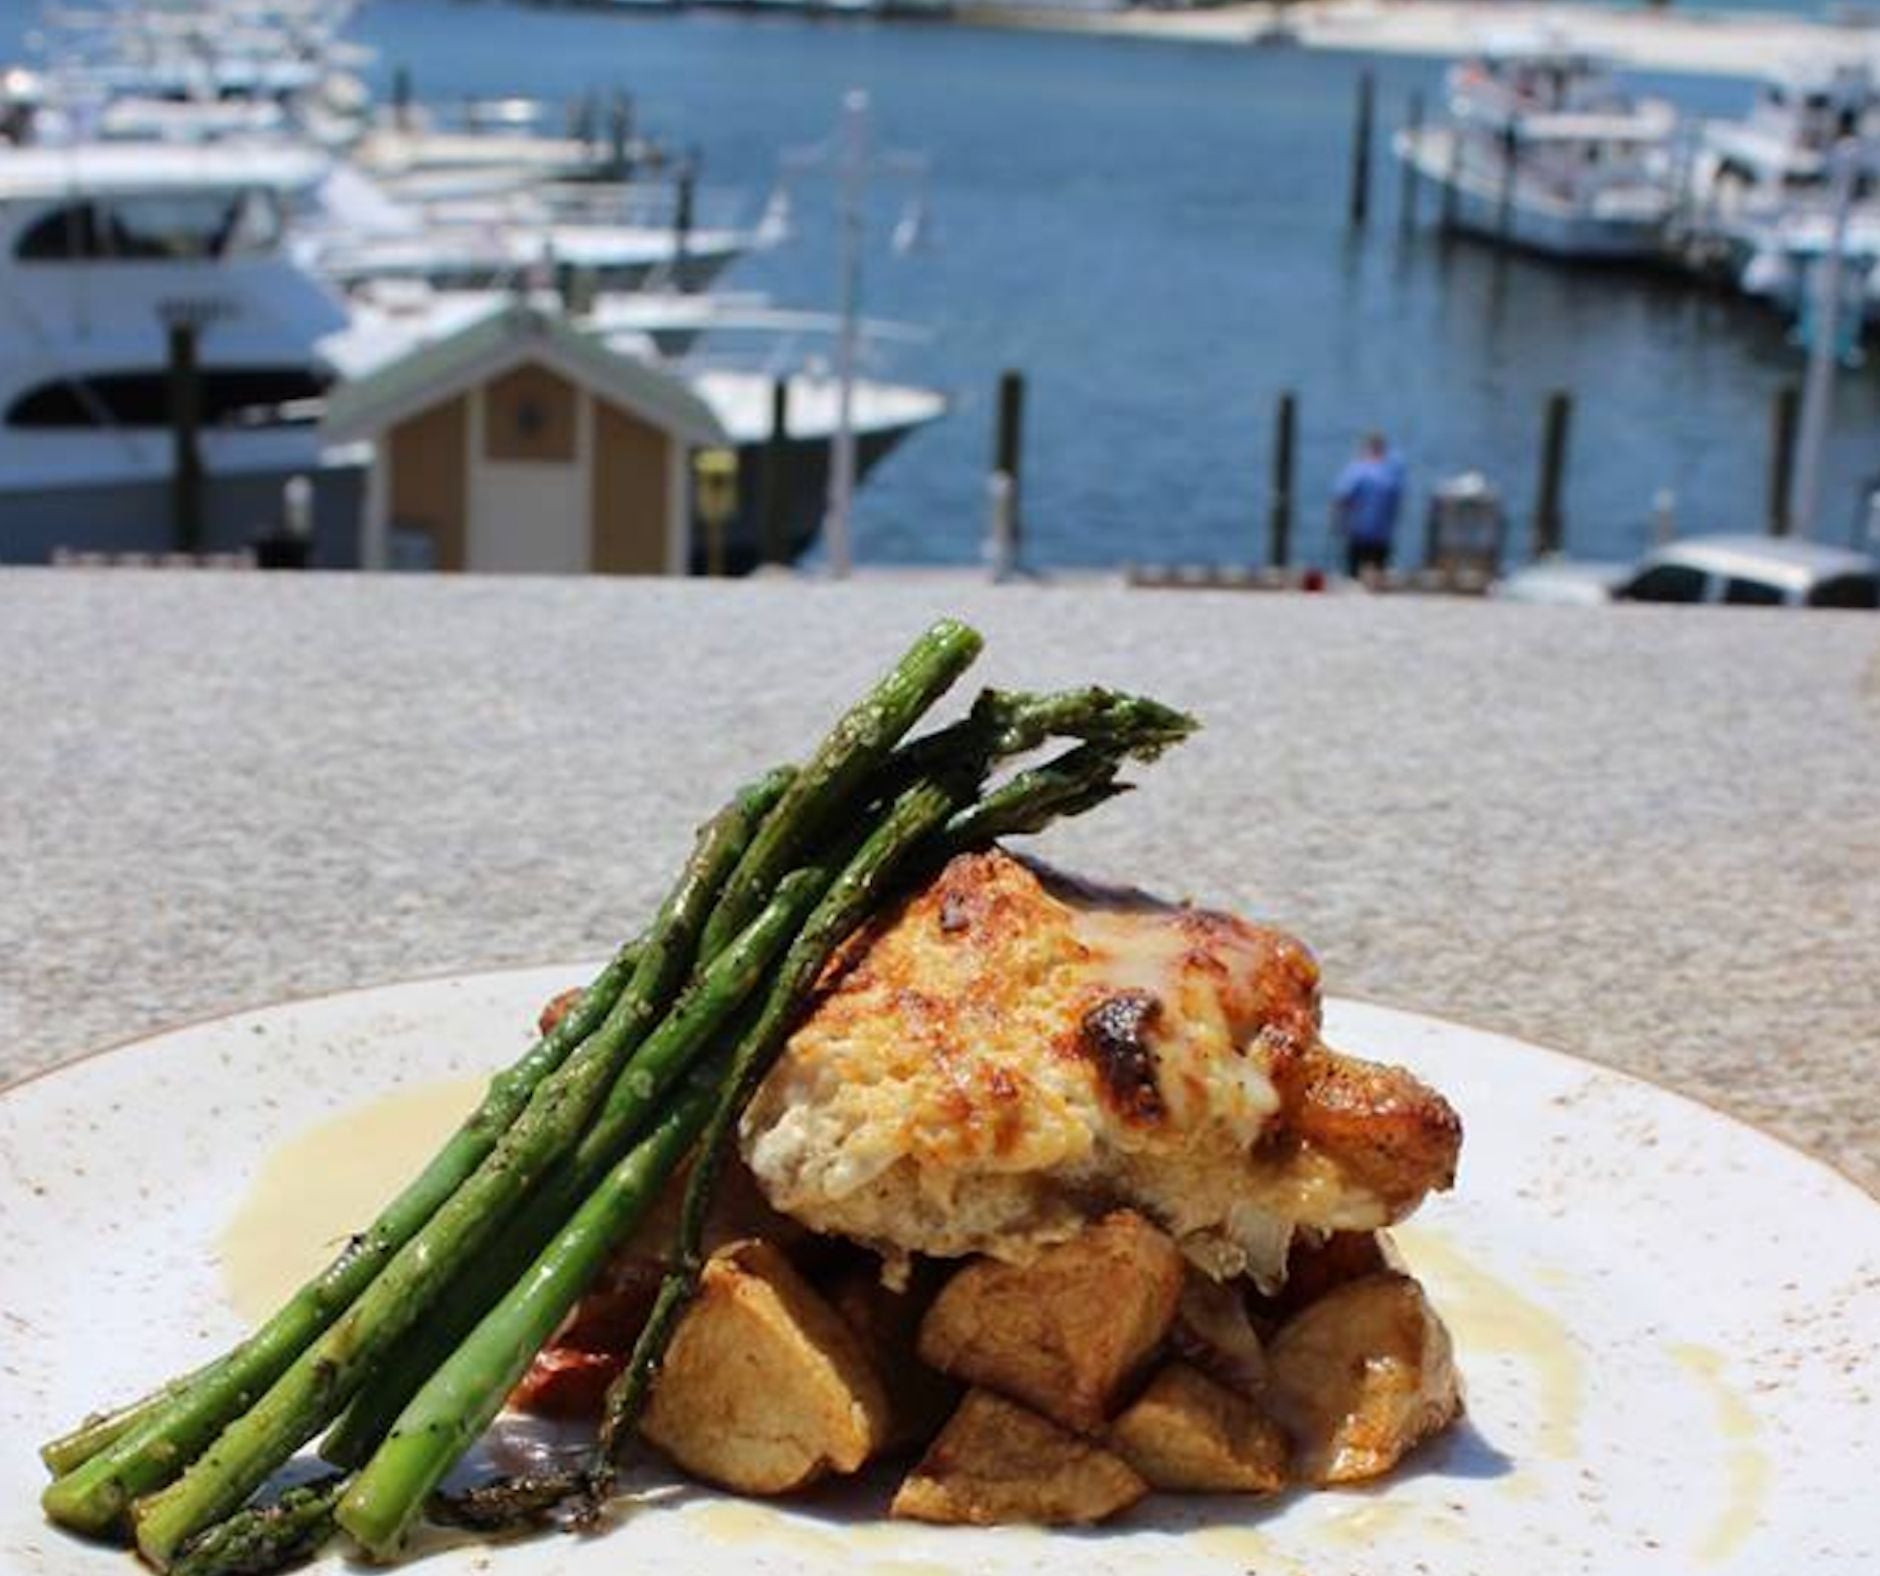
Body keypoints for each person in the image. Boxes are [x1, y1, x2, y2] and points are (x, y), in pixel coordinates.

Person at [1332, 432, 1406, 583]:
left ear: (1367, 449)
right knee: (1379, 573)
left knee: (1353, 576)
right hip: (1382, 532)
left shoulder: (1357, 470)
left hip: (1359, 530)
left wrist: (1338, 523)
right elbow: (1397, 502)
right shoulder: (1391, 473)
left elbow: (1342, 498)